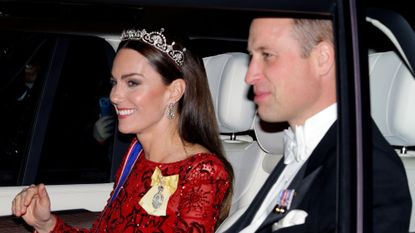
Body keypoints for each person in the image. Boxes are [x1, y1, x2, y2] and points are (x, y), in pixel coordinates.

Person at [12, 26, 233, 233]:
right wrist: (46, 224)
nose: (114, 96)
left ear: (174, 92)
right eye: (114, 83)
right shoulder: (135, 155)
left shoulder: (203, 171)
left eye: (132, 83)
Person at [222, 18, 412, 233]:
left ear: (322, 59)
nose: (249, 76)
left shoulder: (369, 173)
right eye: (251, 57)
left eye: (268, 55)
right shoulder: (298, 152)